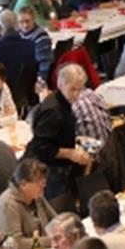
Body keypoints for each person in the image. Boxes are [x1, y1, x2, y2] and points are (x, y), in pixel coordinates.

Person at [27, 65, 95, 207]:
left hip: (59, 165)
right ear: (60, 84)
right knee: (59, 207)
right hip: (48, 169)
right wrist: (70, 153)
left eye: (80, 89)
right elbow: (40, 147)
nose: (76, 95)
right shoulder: (52, 110)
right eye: (73, 89)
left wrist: (74, 140)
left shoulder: (64, 101)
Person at [0, 158, 57, 244]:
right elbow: (15, 243)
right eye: (39, 183)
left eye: (44, 182)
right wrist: (52, 241)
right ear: (23, 184)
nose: (44, 186)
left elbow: (56, 220)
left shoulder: (36, 196)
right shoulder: (8, 204)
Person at [15, 5, 54, 83]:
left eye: (27, 21)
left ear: (33, 20)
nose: (25, 25)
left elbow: (45, 63)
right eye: (21, 22)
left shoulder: (41, 37)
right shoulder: (17, 35)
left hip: (35, 77)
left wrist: (41, 81)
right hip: (23, 75)